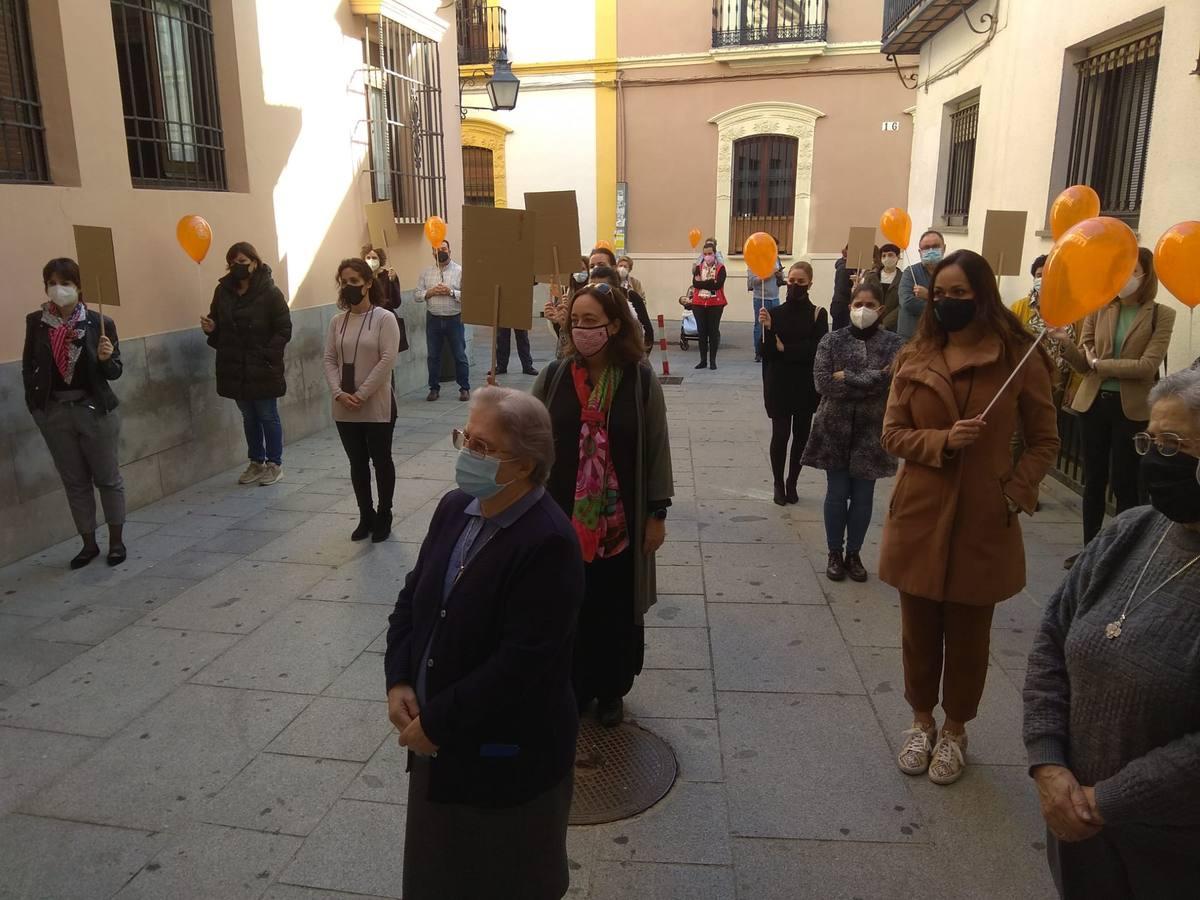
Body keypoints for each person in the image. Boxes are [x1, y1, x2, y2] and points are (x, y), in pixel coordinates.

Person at [384, 386, 584, 900]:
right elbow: (413, 598)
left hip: (506, 763)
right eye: (464, 439)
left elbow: (521, 665)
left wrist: (438, 721)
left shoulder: (550, 542)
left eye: (481, 447)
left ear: (523, 464)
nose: (465, 455)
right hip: (438, 747)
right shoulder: (455, 508)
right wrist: (400, 679)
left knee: (503, 880)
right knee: (437, 878)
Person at [880, 249, 1058, 786]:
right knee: (917, 629)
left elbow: (1045, 440)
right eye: (941, 293)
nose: (949, 302)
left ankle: (955, 730)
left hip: (983, 515)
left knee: (968, 634)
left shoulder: (1018, 358)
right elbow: (891, 435)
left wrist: (1014, 492)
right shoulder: (915, 355)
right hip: (920, 512)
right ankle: (920, 721)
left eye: (960, 293)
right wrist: (942, 441)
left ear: (982, 296)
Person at [1023, 367, 1200, 898]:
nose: (1154, 458)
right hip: (1076, 826)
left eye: (1174, 443)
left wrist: (1107, 802)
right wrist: (1048, 761)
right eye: (1151, 438)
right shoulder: (1130, 531)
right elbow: (1051, 640)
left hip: (1174, 850)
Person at [532, 284, 674, 728]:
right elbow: (527, 435)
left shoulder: (639, 381)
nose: (581, 330)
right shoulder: (554, 378)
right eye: (575, 321)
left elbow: (656, 449)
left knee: (612, 608)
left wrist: (657, 513)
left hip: (620, 525)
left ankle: (612, 689)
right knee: (565, 605)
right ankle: (573, 687)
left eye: (591, 321)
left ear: (615, 325)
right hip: (560, 521)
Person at [1057, 247, 1175, 566]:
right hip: (1094, 404)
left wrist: (1101, 365)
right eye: (1120, 270)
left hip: (1132, 409)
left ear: (1146, 275)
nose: (1125, 278)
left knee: (1125, 482)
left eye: (1132, 271)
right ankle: (1090, 550)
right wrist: (1067, 347)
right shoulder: (1100, 307)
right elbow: (1085, 363)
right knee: (1093, 480)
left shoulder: (1161, 314)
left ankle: (1122, 554)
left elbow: (1146, 366)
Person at [23, 258, 127, 569]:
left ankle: (117, 541)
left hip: (93, 410)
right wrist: (38, 408)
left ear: (78, 287)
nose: (59, 289)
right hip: (55, 413)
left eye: (66, 283)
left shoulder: (99, 322)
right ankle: (88, 543)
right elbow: (29, 366)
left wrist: (106, 359)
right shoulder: (36, 322)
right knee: (75, 481)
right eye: (52, 283)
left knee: (107, 478)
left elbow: (115, 371)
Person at [802, 280, 904, 582]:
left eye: (870, 305)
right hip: (834, 427)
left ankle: (854, 553)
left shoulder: (895, 344)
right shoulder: (832, 341)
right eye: (858, 304)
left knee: (863, 496)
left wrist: (848, 376)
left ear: (881, 309)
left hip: (872, 431)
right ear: (849, 307)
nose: (863, 310)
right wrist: (868, 382)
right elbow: (823, 383)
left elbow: (890, 381)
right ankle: (834, 552)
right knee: (837, 493)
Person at [201, 242, 292, 486]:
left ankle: (275, 464)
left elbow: (284, 328)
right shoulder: (223, 291)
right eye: (233, 262)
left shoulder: (270, 292)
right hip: (235, 365)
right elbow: (217, 321)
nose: (238, 267)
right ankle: (256, 461)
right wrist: (212, 327)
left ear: (254, 262)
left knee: (267, 414)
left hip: (262, 365)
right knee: (248, 416)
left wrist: (267, 354)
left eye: (243, 262)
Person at [324, 258, 400, 542]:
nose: (349, 287)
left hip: (376, 404)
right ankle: (365, 514)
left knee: (381, 460)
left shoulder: (384, 318)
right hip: (345, 406)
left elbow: (387, 359)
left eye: (354, 281)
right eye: (344, 282)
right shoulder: (337, 321)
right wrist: (339, 392)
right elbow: (330, 358)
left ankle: (384, 513)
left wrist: (362, 393)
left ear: (368, 283)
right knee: (357, 463)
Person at [759, 261, 828, 505]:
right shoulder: (774, 313)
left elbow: (817, 349)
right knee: (780, 435)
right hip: (779, 382)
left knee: (801, 435)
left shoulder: (818, 313)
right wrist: (766, 330)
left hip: (805, 384)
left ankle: (792, 482)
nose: (795, 285)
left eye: (800, 282)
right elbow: (766, 353)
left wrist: (785, 348)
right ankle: (778, 482)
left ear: (809, 283)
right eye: (791, 280)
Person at [415, 239, 470, 403]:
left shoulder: (460, 271)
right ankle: (433, 388)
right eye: (437, 249)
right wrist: (429, 292)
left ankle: (464, 388)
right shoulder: (426, 273)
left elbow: (468, 296)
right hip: (433, 319)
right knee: (433, 356)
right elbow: (417, 295)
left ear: (450, 251)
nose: (441, 251)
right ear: (433, 253)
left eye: (444, 248)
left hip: (454, 319)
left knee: (459, 355)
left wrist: (451, 292)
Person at [591, 247, 654, 351]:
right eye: (591, 266)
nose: (596, 269)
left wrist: (639, 357)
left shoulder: (630, 296)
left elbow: (647, 333)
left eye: (601, 265)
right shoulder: (583, 299)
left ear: (613, 267)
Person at [897, 229, 946, 341]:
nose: (931, 250)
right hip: (911, 338)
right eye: (926, 248)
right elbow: (908, 303)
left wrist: (928, 295)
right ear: (920, 252)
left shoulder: (951, 273)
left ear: (944, 248)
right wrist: (939, 308)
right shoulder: (910, 272)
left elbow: (953, 306)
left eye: (935, 246)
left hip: (939, 337)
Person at [691, 239, 728, 369]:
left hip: (715, 304)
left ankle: (712, 361)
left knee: (712, 332)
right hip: (699, 303)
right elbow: (695, 284)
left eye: (710, 253)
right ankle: (703, 360)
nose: (708, 256)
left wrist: (705, 283)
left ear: (714, 253)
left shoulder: (720, 268)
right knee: (701, 333)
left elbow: (718, 285)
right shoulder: (698, 268)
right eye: (705, 253)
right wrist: (709, 282)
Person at [832, 245, 881, 331]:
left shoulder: (872, 271)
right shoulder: (846, 268)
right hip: (845, 306)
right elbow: (843, 289)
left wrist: (860, 282)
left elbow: (875, 289)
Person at [748, 245, 784, 362]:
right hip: (761, 298)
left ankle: (773, 348)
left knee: (775, 324)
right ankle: (758, 352)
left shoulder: (776, 259)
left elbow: (780, 277)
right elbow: (753, 281)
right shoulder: (755, 262)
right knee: (760, 325)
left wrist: (779, 275)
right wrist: (768, 274)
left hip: (775, 297)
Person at [361, 245, 403, 310]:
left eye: (374, 258)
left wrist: (393, 282)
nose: (371, 260)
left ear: (380, 260)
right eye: (368, 258)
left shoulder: (389, 275)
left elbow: (396, 303)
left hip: (387, 314)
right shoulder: (363, 278)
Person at [877, 243, 903, 332]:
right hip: (872, 321)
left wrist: (885, 323)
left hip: (893, 325)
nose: (886, 258)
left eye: (890, 255)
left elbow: (902, 304)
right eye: (883, 255)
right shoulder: (871, 276)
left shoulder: (903, 278)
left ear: (898, 257)